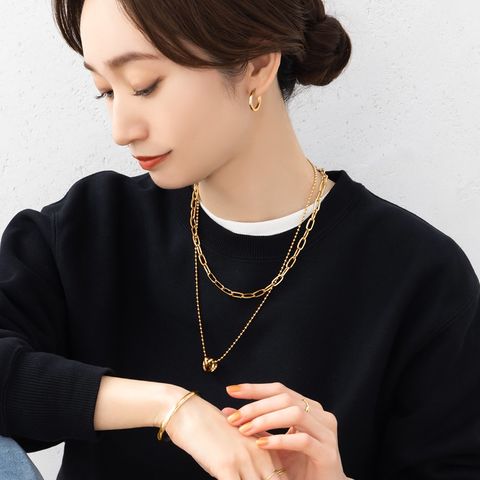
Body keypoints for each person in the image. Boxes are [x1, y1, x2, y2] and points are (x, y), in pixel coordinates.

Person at [1, 0, 479, 479]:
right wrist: (171, 408)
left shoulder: (416, 276)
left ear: (256, 64)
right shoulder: (91, 227)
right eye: (105, 91)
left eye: (145, 85)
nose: (121, 130)